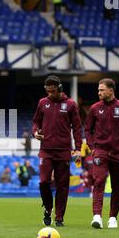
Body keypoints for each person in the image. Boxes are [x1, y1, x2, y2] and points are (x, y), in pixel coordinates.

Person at [32, 75, 83, 227]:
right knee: (43, 181)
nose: (50, 94)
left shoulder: (71, 105)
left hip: (63, 151)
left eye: (53, 91)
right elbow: (36, 122)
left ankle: (59, 217)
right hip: (46, 150)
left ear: (59, 89)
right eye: (48, 91)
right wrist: (35, 133)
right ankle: (48, 209)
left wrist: (78, 149)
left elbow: (77, 127)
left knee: (62, 185)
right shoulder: (42, 103)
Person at [84, 78, 119, 229]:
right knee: (98, 182)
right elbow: (87, 129)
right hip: (100, 152)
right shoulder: (94, 108)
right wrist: (93, 148)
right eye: (98, 90)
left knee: (117, 186)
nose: (98, 92)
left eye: (101, 90)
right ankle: (97, 216)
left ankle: (113, 217)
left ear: (111, 90)